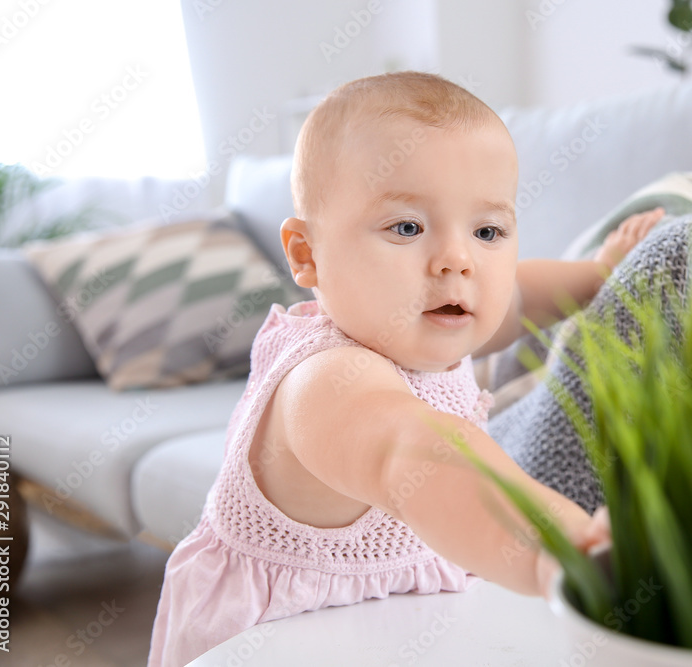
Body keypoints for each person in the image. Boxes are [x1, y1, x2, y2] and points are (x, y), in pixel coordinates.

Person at [148, 71, 662, 667]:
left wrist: (600, 277)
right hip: (277, 646)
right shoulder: (326, 381)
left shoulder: (427, 320)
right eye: (407, 228)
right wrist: (560, 546)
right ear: (307, 255)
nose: (457, 261)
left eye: (487, 230)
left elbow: (517, 297)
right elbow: (417, 452)